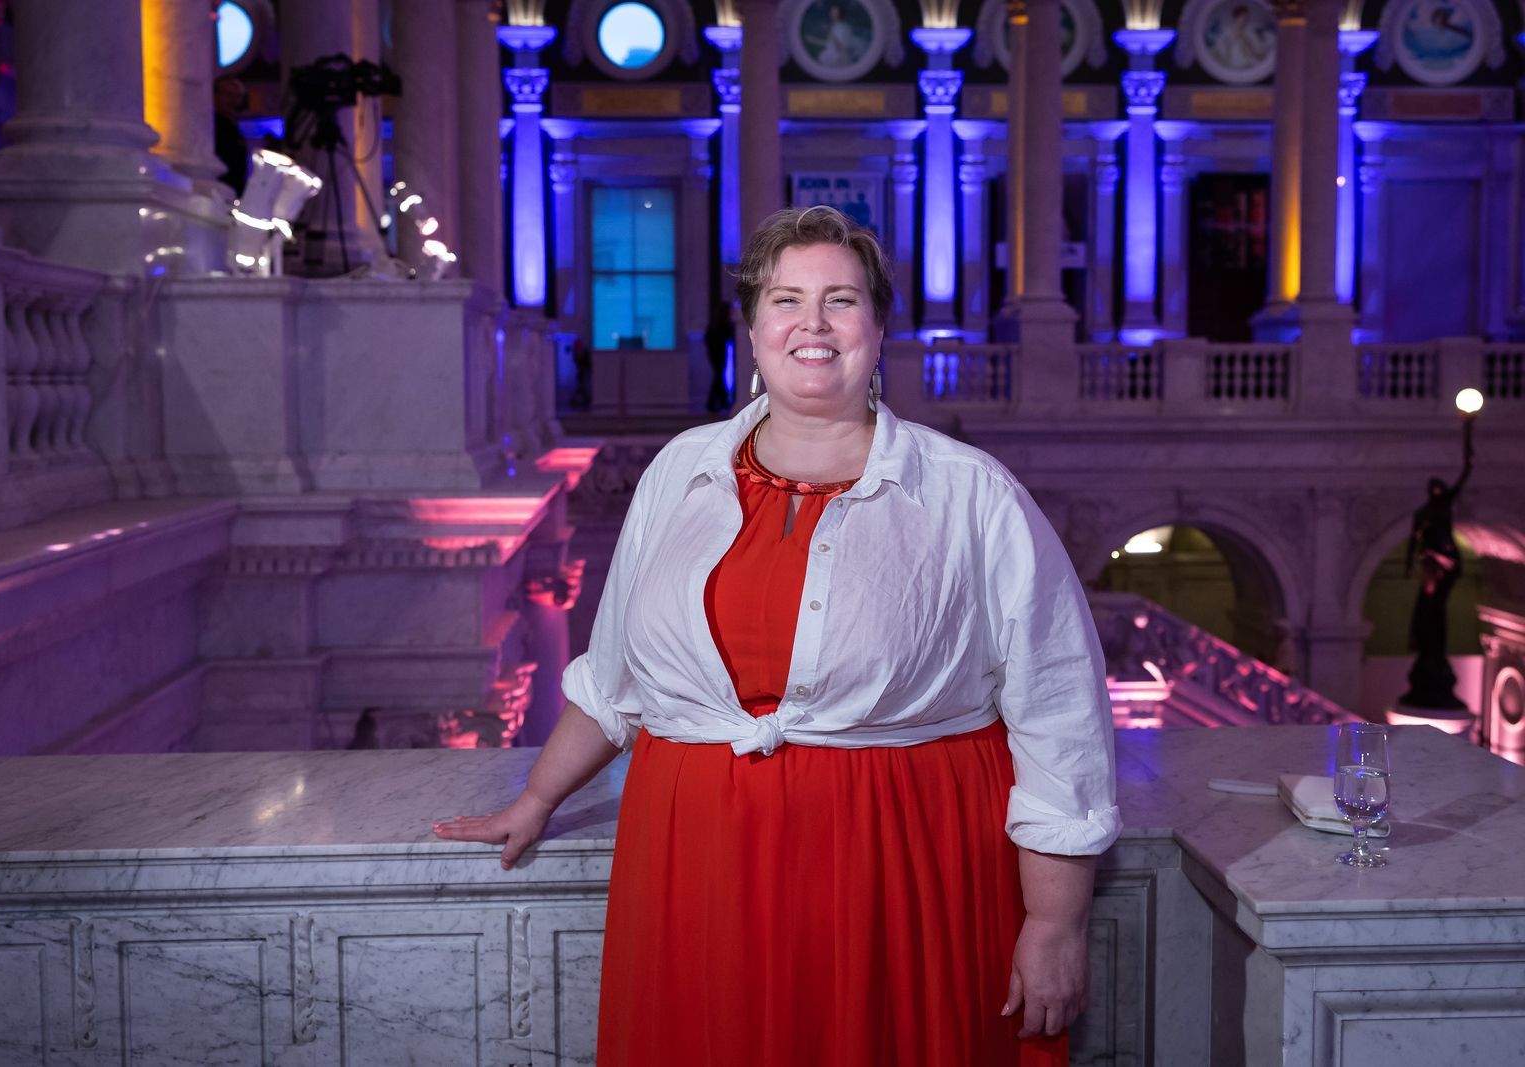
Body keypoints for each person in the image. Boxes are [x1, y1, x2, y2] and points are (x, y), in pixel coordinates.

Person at [433, 206, 1120, 1065]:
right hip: (699, 863)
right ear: (753, 328)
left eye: (842, 299)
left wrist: (1056, 921)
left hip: (901, 862)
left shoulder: (970, 493)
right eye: (787, 299)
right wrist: (535, 800)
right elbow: (615, 679)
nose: (814, 324)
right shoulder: (680, 469)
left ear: (877, 327)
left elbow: (1059, 710)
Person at [1400, 417, 1476, 709]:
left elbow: (1467, 471)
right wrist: (1410, 565)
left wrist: (1469, 431)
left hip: (1446, 563)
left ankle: (1434, 654)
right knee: (1428, 609)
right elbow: (1413, 540)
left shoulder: (1444, 505)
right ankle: (1429, 653)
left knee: (1436, 609)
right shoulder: (1423, 513)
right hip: (1431, 564)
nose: (1436, 493)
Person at [214, 74, 250, 197]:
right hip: (217, 191)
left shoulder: (233, 126)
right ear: (215, 95)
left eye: (238, 97)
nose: (234, 102)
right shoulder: (210, 125)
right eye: (229, 95)